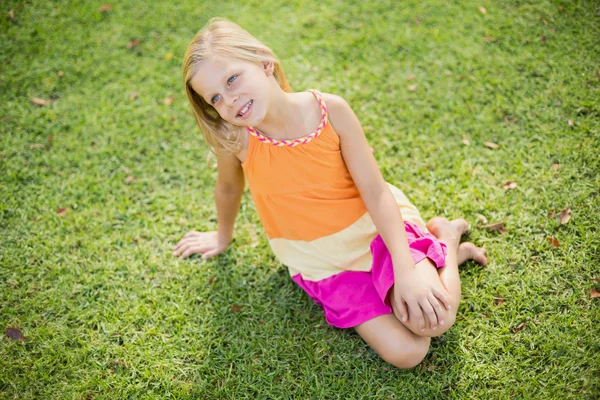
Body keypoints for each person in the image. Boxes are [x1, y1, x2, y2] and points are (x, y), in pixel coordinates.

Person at [173, 18, 487, 369]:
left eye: (232, 79)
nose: (229, 99)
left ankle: (444, 237)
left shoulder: (329, 111)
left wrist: (406, 269)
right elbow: (229, 187)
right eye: (215, 97)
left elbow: (375, 191)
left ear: (264, 63)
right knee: (409, 353)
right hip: (323, 263)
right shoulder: (236, 139)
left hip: (375, 234)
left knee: (436, 321)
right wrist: (221, 236)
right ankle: (441, 252)